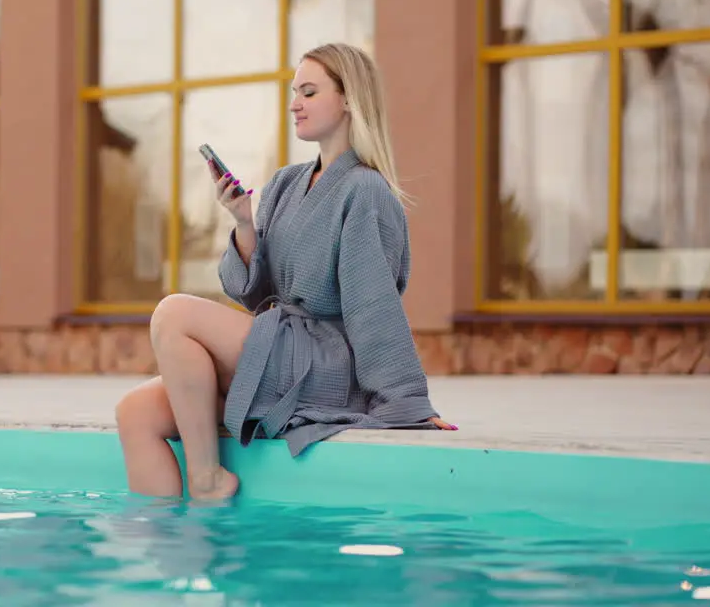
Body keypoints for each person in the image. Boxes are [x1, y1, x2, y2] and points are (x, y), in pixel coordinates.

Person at [114, 42, 456, 502]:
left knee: (173, 313)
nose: (295, 102)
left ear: (350, 99)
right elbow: (256, 295)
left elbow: (373, 307)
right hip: (280, 347)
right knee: (135, 414)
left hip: (324, 363)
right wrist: (243, 222)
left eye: (310, 92)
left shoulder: (365, 192)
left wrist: (407, 401)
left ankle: (207, 479)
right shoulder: (284, 185)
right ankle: (183, 545)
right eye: (295, 91)